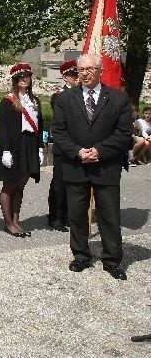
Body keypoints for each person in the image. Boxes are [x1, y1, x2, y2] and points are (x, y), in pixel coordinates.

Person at [51, 53, 132, 280]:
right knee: (76, 213)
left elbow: (123, 132)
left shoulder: (117, 99)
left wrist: (100, 151)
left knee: (109, 214)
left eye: (90, 69)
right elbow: (58, 130)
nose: (85, 73)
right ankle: (81, 255)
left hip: (105, 165)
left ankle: (112, 259)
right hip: (76, 165)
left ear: (100, 72)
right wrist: (77, 152)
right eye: (81, 69)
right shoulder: (65, 99)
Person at [0, 63, 44, 238]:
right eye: (21, 77)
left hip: (30, 144)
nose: (25, 79)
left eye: (27, 76)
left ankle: (16, 220)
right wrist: (6, 151)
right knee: (10, 185)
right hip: (15, 146)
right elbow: (4, 128)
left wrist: (39, 147)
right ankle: (8, 223)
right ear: (15, 80)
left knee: (20, 185)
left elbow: (40, 125)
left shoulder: (35, 101)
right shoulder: (8, 101)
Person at [47, 60, 78, 231]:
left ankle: (68, 214)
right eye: (74, 74)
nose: (78, 77)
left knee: (75, 183)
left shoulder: (83, 94)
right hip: (64, 144)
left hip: (80, 146)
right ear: (66, 77)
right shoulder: (58, 96)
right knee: (59, 182)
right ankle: (55, 216)